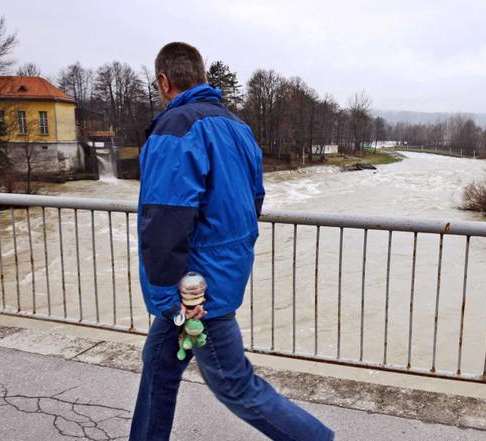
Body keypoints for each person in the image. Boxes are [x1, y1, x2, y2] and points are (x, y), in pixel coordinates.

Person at [130, 42, 334, 441]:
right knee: (158, 365)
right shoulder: (238, 129)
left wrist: (170, 299)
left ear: (164, 81)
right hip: (221, 273)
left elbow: (165, 217)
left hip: (194, 290)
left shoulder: (176, 128)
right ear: (202, 77)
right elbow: (254, 199)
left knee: (234, 384)